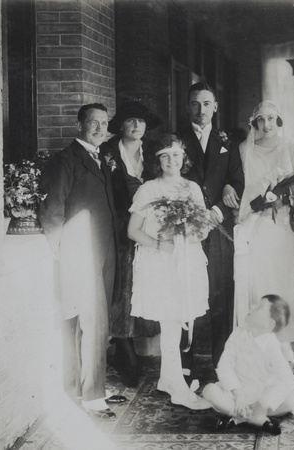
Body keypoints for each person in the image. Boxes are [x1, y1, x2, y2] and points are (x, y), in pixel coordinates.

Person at [39, 103, 127, 419]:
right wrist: (60, 250)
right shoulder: (66, 160)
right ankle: (92, 396)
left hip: (101, 252)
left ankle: (78, 388)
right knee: (92, 324)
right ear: (79, 125)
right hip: (80, 254)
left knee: (85, 325)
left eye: (104, 123)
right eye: (93, 122)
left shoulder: (101, 160)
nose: (100, 128)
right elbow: (54, 210)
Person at [127, 133, 212, 410]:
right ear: (156, 161)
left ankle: (167, 379)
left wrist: (189, 232)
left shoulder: (192, 188)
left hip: (186, 261)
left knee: (180, 319)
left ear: (183, 158)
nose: (171, 160)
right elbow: (132, 230)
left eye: (175, 155)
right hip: (159, 263)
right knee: (171, 323)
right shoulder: (148, 190)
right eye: (164, 156)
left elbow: (202, 230)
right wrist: (159, 243)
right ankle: (177, 386)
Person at [233, 101, 294, 360]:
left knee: (283, 282)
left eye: (272, 119)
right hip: (255, 227)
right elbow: (238, 183)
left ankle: (284, 344)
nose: (267, 125)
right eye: (261, 119)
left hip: (282, 229)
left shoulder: (292, 149)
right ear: (254, 123)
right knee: (258, 282)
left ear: (279, 121)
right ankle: (257, 345)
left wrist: (285, 196)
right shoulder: (244, 150)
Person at [179, 82, 244, 375]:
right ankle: (186, 364)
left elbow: (238, 181)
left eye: (207, 104)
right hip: (187, 229)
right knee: (187, 291)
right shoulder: (176, 140)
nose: (201, 109)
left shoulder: (228, 142)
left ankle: (221, 360)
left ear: (215, 107)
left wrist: (217, 211)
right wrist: (193, 216)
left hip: (218, 228)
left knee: (219, 292)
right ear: (187, 107)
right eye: (195, 103)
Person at [101, 101, 162, 387]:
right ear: (120, 126)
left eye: (141, 121)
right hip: (117, 228)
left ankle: (135, 347)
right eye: (130, 121)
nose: (136, 126)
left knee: (145, 282)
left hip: (148, 227)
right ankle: (125, 354)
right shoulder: (108, 152)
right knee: (122, 286)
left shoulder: (152, 153)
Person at [202, 295, 294, 435]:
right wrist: (239, 394)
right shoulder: (237, 333)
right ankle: (256, 420)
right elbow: (224, 366)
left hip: (261, 399)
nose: (252, 306)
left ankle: (240, 418)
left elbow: (288, 380)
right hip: (237, 395)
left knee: (290, 399)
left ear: (269, 324)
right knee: (209, 391)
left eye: (259, 307)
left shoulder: (272, 345)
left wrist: (264, 402)